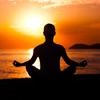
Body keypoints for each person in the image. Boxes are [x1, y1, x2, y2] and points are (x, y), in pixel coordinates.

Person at [13, 23, 87, 80]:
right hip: (58, 77)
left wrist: (20, 64)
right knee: (72, 67)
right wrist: (80, 64)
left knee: (28, 67)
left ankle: (39, 83)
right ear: (54, 33)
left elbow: (30, 62)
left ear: (44, 33)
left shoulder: (38, 48)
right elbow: (68, 62)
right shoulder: (60, 48)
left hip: (42, 78)